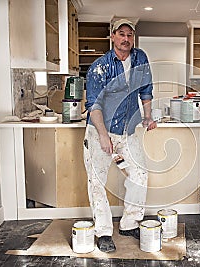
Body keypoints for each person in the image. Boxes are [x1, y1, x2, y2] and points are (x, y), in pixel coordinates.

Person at [83, 19, 156, 253]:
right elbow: (94, 105)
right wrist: (104, 137)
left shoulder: (140, 58)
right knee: (97, 181)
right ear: (112, 36)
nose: (126, 39)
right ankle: (103, 232)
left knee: (139, 174)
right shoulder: (99, 67)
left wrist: (147, 116)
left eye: (130, 35)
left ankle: (129, 223)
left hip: (128, 130)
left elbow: (146, 89)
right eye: (121, 34)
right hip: (99, 131)